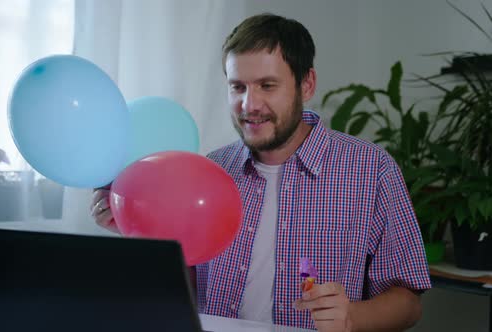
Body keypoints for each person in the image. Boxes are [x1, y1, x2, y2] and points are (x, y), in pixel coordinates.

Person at [91, 13, 431, 331]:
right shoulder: (210, 169)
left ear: (307, 84)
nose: (249, 105)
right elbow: (187, 287)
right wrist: (136, 230)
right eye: (238, 87)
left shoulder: (370, 170)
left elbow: (409, 301)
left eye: (267, 86)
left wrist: (353, 317)